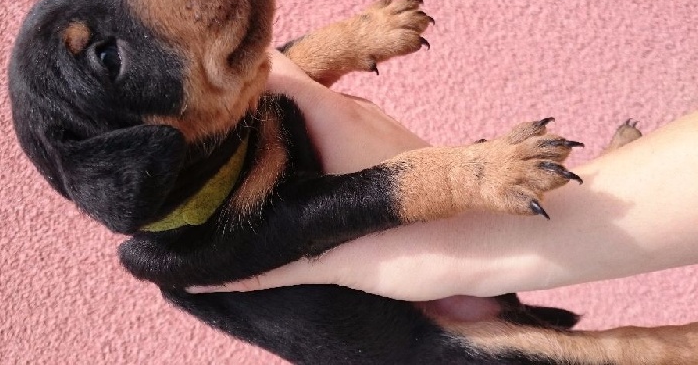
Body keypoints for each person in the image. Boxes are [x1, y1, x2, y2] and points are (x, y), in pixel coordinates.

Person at [188, 50, 698, 302]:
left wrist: (344, 42)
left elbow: (280, 69)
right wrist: (459, 180)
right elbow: (317, 210)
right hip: (409, 332)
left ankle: (604, 184)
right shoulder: (185, 240)